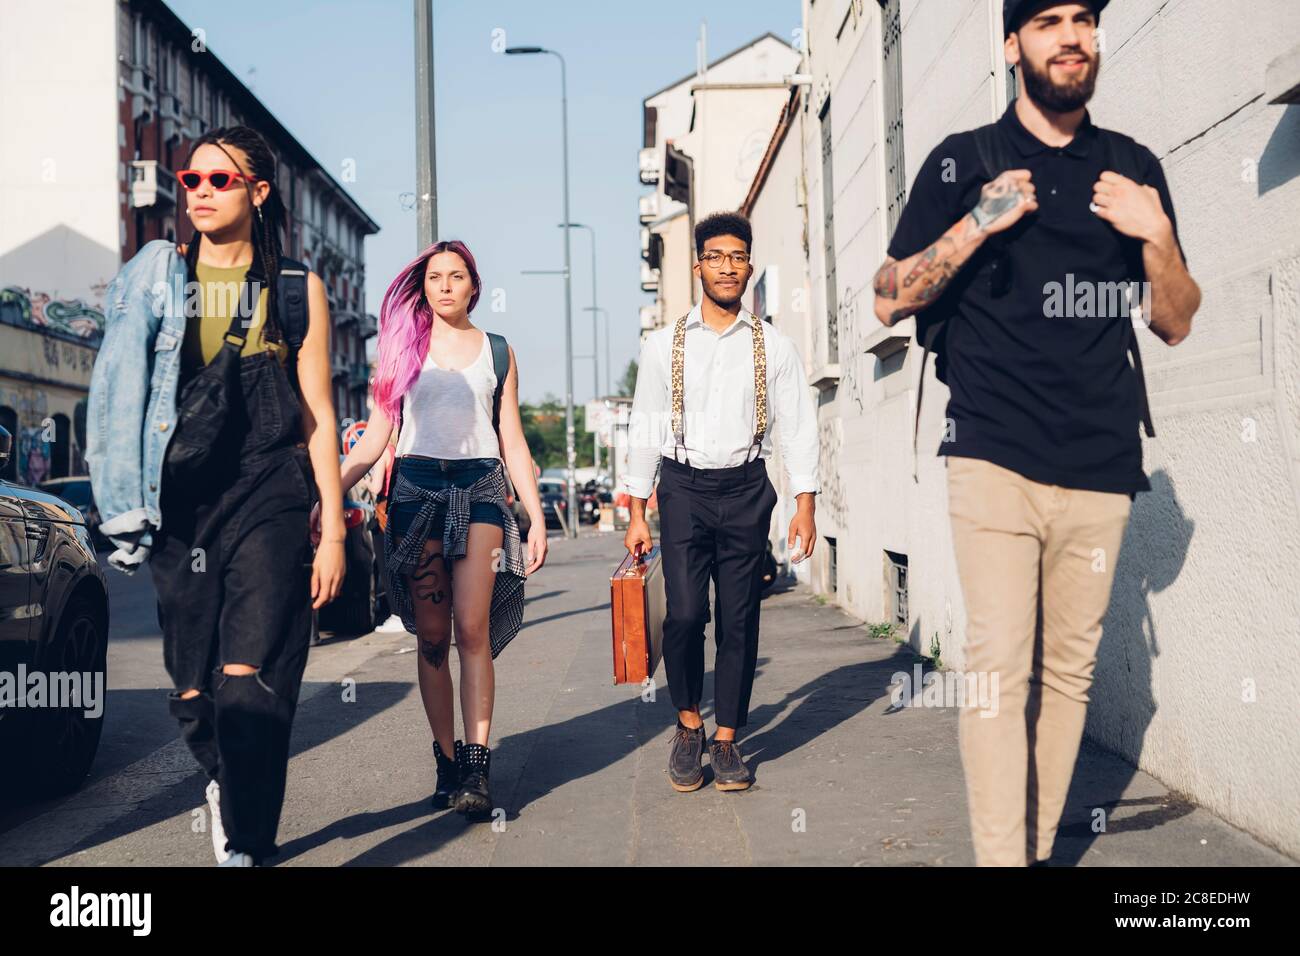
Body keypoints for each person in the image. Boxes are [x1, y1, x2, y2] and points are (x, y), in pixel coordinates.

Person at [871, 0, 1200, 865]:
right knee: (996, 665)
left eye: (1085, 19)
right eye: (1049, 20)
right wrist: (980, 220)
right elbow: (890, 294)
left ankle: (1033, 846)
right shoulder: (964, 163)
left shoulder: (1132, 171)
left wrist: (1156, 234)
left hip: (1100, 464)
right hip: (992, 454)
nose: (1072, 37)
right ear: (1013, 43)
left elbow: (1176, 321)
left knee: (1067, 677)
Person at [87, 125, 347, 866]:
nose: (199, 192)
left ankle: (249, 844)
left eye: (219, 181)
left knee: (248, 684)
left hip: (269, 488)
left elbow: (318, 414)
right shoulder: (156, 282)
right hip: (182, 502)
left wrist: (329, 527)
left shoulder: (297, 290)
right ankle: (227, 783)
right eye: (190, 179)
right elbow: (117, 393)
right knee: (194, 694)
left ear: (258, 193)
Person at [334, 240, 547, 818]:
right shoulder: (401, 349)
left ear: (474, 285)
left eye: (457, 276)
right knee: (432, 638)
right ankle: (446, 759)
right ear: (422, 286)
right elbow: (377, 435)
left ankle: (477, 768)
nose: (446, 286)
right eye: (435, 277)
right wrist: (328, 489)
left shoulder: (498, 352)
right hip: (414, 493)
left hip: (481, 490)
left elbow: (512, 437)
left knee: (472, 629)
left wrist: (535, 514)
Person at [624, 211, 820, 793]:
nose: (728, 267)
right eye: (716, 257)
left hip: (746, 488)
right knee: (684, 614)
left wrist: (804, 504)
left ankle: (728, 738)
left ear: (749, 266)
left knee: (739, 618)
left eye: (738, 257)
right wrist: (636, 510)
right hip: (682, 488)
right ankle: (689, 726)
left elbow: (800, 426)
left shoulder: (772, 345)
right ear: (698, 266)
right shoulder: (664, 346)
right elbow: (644, 427)